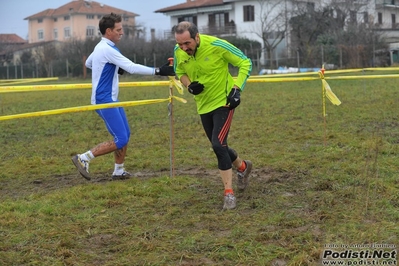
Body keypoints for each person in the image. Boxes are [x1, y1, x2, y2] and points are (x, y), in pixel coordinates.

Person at [72, 13, 174, 181]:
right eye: (118, 30)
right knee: (121, 138)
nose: (122, 33)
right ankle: (83, 158)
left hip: (110, 99)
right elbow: (132, 68)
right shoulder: (106, 49)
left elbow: (88, 63)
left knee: (125, 133)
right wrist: (158, 71)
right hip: (104, 100)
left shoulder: (102, 47)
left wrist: (110, 67)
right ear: (108, 31)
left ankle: (118, 171)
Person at [173, 21, 253, 210]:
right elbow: (179, 71)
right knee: (219, 145)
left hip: (224, 102)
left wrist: (236, 89)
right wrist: (189, 85)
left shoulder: (217, 45)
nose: (184, 48)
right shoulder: (178, 52)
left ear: (197, 37)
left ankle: (229, 194)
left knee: (218, 145)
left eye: (187, 44)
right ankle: (242, 167)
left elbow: (245, 62)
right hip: (203, 105)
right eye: (180, 44)